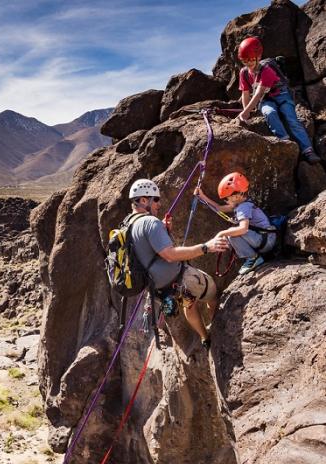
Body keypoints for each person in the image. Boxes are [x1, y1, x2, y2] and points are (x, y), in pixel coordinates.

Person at [128, 178, 229, 349]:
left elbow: (146, 249)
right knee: (212, 292)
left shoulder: (129, 224)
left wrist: (164, 231)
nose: (159, 205)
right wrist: (206, 247)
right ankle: (218, 333)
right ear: (144, 200)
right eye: (156, 199)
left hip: (157, 288)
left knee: (189, 304)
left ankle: (205, 337)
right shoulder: (150, 222)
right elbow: (169, 255)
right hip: (180, 278)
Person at [237, 36, 321, 165]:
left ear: (258, 57)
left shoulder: (266, 70)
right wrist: (246, 111)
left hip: (281, 95)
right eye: (244, 60)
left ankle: (308, 150)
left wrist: (246, 112)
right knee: (270, 113)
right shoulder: (244, 73)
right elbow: (245, 93)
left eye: (251, 60)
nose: (248, 63)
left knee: (291, 118)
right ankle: (285, 141)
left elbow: (259, 92)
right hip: (266, 100)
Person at [195, 172, 276, 275]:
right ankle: (253, 257)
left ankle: (253, 258)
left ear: (236, 196)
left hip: (266, 241)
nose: (225, 201)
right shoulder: (241, 204)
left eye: (226, 198)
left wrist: (222, 233)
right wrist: (202, 196)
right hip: (265, 239)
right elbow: (219, 208)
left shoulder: (243, 207)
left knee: (231, 233)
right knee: (231, 233)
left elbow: (243, 229)